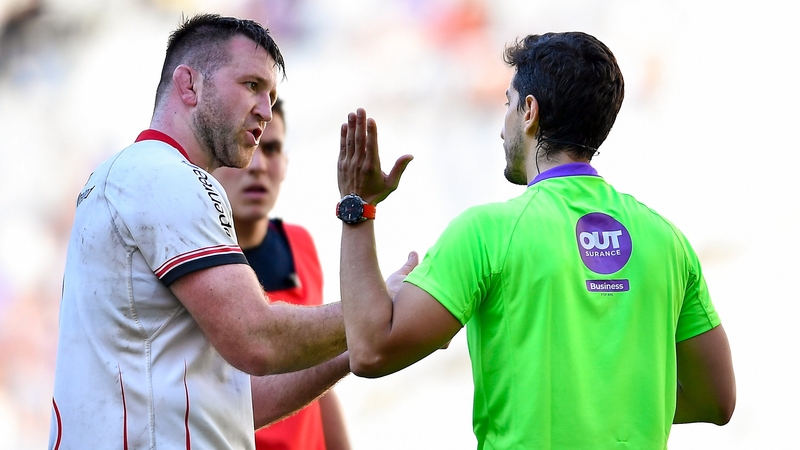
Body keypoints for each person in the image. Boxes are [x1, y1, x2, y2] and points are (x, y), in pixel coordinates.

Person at [335, 32, 736, 449]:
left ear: (529, 111)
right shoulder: (667, 240)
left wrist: (358, 206)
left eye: (508, 103)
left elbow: (371, 351)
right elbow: (717, 401)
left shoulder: (487, 232)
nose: (501, 128)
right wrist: (605, 406)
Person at [49, 14, 362, 449]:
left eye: (270, 96)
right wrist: (376, 307)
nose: (265, 110)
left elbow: (240, 402)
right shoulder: (165, 176)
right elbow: (256, 338)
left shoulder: (127, 177)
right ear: (189, 84)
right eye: (251, 85)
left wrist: (358, 345)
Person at [214, 98, 351, 450]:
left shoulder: (300, 245)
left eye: (272, 149)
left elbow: (318, 376)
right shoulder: (192, 261)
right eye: (246, 145)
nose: (258, 165)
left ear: (285, 163)